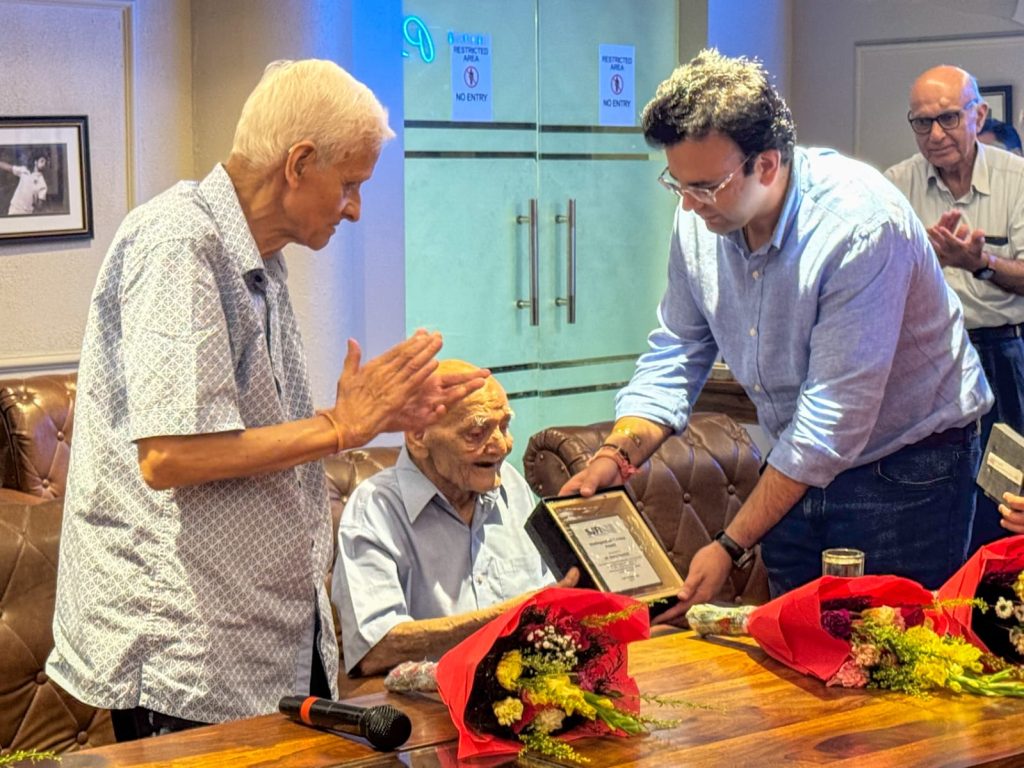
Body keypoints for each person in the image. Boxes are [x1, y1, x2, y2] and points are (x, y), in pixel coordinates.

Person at [46, 59, 488, 738]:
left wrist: (376, 415)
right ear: (299, 162)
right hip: (184, 655)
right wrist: (341, 426)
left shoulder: (261, 256)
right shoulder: (181, 240)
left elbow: (251, 435)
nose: (356, 209)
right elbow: (170, 455)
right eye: (349, 185)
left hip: (258, 644)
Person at [560, 49, 992, 621]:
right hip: (797, 457)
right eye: (678, 183)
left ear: (767, 164)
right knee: (795, 649)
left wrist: (730, 546)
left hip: (907, 464)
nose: (688, 204)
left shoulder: (859, 227)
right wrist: (616, 454)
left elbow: (830, 422)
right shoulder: (701, 215)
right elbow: (677, 349)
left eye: (706, 186)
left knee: (890, 662)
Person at [332, 360, 577, 676]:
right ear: (419, 436)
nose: (501, 446)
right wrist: (507, 618)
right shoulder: (375, 508)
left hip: (524, 692)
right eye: (477, 432)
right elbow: (376, 647)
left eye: (504, 426)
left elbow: (546, 598)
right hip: (427, 705)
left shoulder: (510, 484)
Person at [885, 65, 1024, 553]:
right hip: (924, 359)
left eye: (947, 118)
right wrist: (910, 262)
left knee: (1002, 497)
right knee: (929, 491)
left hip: (997, 354)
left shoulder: (1016, 179)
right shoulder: (895, 184)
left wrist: (980, 262)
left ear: (978, 114)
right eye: (922, 123)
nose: (936, 134)